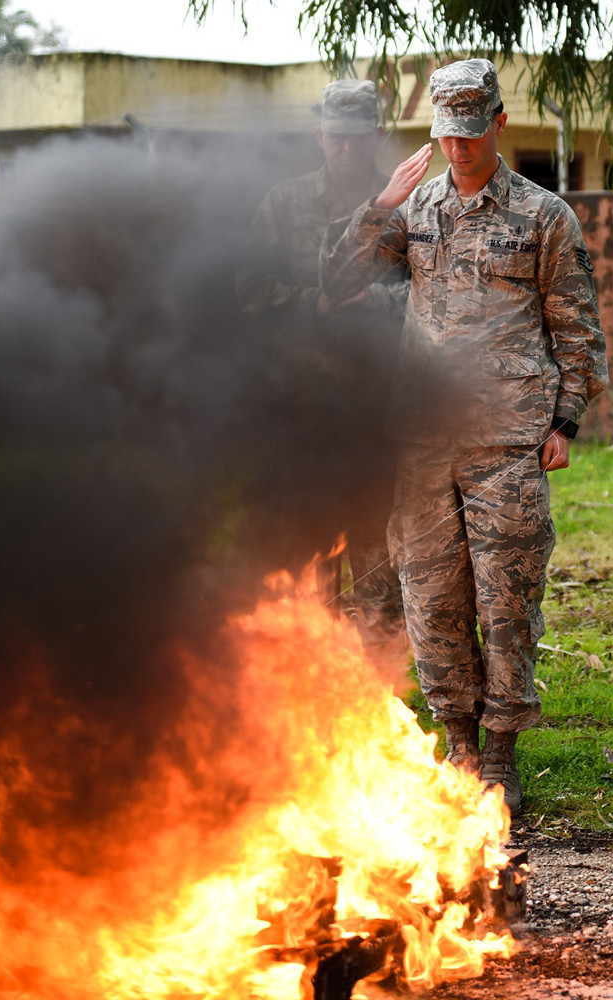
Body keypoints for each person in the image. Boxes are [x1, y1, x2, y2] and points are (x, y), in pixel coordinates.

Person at [319, 59, 608, 814]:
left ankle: (504, 751)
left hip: (508, 440)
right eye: (447, 136)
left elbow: (577, 327)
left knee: (506, 601)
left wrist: (566, 418)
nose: (458, 150)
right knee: (431, 598)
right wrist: (381, 201)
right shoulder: (414, 212)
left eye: (471, 136)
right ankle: (459, 745)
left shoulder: (545, 216)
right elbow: (337, 278)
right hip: (421, 441)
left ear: (499, 126)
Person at [236, 79, 409, 663]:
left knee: (378, 556)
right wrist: (310, 303)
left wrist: (376, 305)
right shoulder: (283, 203)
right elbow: (248, 288)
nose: (346, 149)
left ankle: (382, 690)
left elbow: (436, 294)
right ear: (319, 136)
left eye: (358, 138)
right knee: (310, 555)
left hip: (377, 410)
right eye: (335, 137)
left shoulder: (406, 203)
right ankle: (314, 690)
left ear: (376, 137)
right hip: (302, 409)